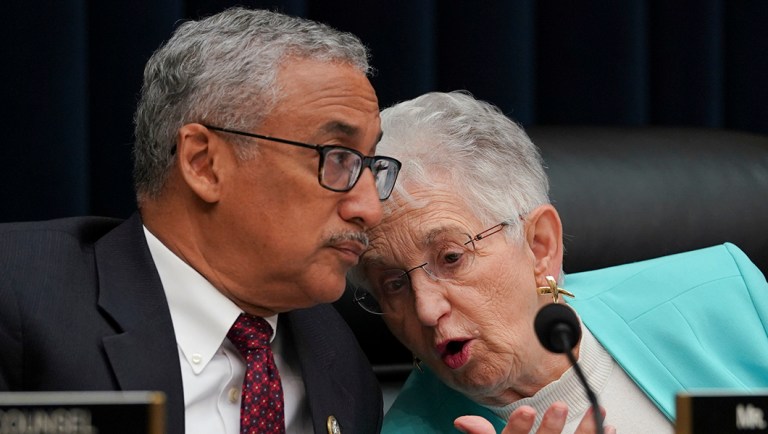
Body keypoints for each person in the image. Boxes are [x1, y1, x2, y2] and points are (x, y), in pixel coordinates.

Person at [0, 7, 402, 434]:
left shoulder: (342, 365)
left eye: (370, 166)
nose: (369, 209)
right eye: (337, 158)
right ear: (204, 163)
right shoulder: (18, 294)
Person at [349, 91, 768, 434]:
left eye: (452, 257)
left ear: (539, 245)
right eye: (394, 284)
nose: (426, 309)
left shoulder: (724, 293)